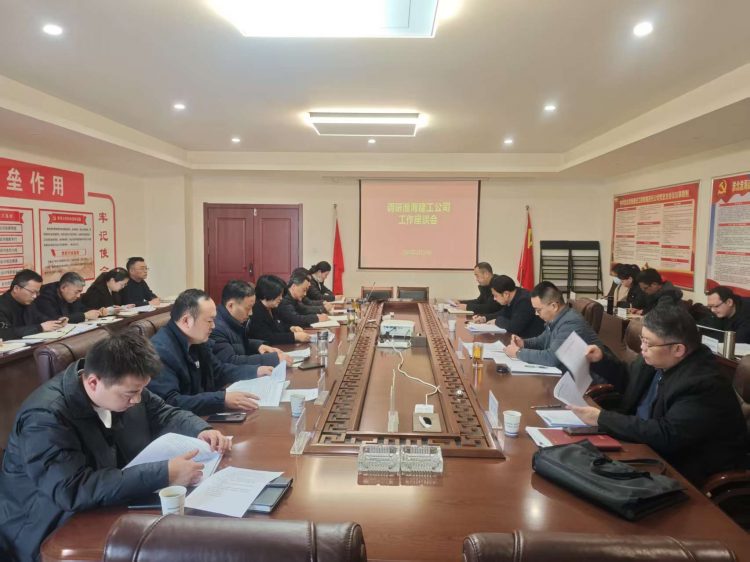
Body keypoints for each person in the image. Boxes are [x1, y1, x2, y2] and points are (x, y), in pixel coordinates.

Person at [0, 331, 231, 562]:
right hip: (45, 528)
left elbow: (162, 412)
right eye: (131, 394)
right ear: (93, 382)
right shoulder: (44, 418)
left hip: (102, 504)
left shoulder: (122, 383)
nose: (137, 400)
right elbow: (73, 488)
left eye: (140, 391)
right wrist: (164, 473)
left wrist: (200, 429)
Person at [571, 306, 747, 486]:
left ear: (678, 349)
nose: (642, 347)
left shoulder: (702, 383)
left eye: (648, 342)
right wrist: (601, 360)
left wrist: (602, 418)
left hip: (682, 469)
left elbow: (666, 435)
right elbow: (629, 380)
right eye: (642, 339)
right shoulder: (656, 359)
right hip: (642, 444)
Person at [148, 289, 271, 416]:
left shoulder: (196, 340)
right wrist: (222, 400)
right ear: (186, 321)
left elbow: (218, 371)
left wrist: (255, 371)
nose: (213, 326)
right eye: (209, 321)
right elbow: (170, 402)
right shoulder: (160, 352)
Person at [505, 281, 620, 386]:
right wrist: (523, 343)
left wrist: (518, 353)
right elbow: (542, 340)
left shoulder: (570, 322)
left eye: (538, 310)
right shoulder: (558, 318)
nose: (536, 314)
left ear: (554, 306)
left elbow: (551, 358)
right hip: (568, 376)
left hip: (592, 386)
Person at [210, 279, 291, 366]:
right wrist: (272, 359)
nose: (251, 313)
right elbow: (230, 361)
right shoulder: (215, 328)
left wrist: (258, 346)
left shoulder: (233, 320)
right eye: (248, 308)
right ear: (231, 305)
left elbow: (237, 344)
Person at [0, 269, 66, 339]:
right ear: (16, 288)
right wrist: (40, 328)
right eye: (32, 292)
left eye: (37, 292)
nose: (34, 296)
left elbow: (39, 317)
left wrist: (57, 321)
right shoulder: (2, 305)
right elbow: (4, 333)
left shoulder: (28, 301)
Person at [472, 275, 544, 338]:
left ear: (506, 294)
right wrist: (485, 318)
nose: (494, 299)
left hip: (531, 341)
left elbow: (514, 327)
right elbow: (503, 313)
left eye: (495, 295)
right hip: (519, 338)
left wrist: (497, 321)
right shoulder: (514, 295)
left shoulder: (524, 301)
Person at [248, 275, 311, 345]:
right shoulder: (255, 310)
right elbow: (267, 337)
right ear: (268, 293)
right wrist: (294, 337)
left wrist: (291, 328)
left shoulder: (273, 307)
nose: (281, 298)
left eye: (281, 295)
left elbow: (279, 325)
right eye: (279, 295)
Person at [35, 271, 101, 323]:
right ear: (63, 288)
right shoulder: (45, 296)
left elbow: (80, 309)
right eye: (76, 292)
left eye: (80, 292)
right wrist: (84, 316)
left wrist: (97, 311)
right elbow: (55, 319)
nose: (78, 296)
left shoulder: (72, 296)